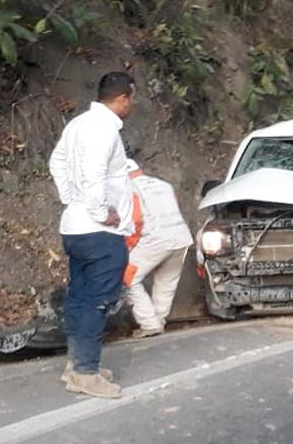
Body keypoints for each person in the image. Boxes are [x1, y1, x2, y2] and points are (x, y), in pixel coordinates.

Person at [48, 72, 137, 399]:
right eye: (132, 98)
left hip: (75, 228)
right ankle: (86, 373)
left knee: (80, 297)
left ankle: (77, 366)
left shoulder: (78, 124)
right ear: (123, 98)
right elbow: (95, 173)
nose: (133, 104)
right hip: (99, 231)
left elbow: (56, 162)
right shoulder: (104, 129)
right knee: (97, 303)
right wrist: (101, 210)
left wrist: (71, 198)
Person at [123, 160, 193, 338]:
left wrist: (127, 248)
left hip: (155, 240)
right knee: (166, 281)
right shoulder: (164, 185)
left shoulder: (129, 189)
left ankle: (149, 323)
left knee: (128, 278)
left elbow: (137, 221)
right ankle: (159, 320)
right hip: (181, 237)